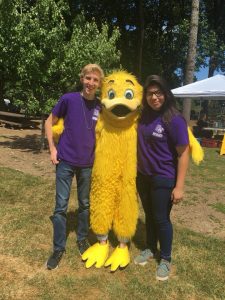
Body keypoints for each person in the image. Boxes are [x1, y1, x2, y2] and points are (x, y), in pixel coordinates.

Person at [45, 63, 104, 270]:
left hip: (87, 164)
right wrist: (52, 148)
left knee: (85, 204)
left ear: (99, 84)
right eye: (88, 78)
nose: (91, 83)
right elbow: (48, 122)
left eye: (95, 80)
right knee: (60, 207)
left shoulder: (100, 106)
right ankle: (58, 248)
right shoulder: (69, 99)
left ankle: (81, 239)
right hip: (65, 161)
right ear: (82, 79)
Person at [134, 75, 189, 281]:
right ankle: (150, 248)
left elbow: (184, 153)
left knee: (161, 218)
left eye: (158, 93)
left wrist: (180, 186)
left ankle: (165, 259)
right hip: (143, 176)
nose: (154, 97)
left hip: (163, 177)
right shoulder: (144, 116)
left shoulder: (174, 119)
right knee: (149, 214)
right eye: (150, 93)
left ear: (166, 94)